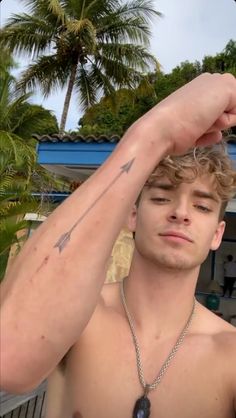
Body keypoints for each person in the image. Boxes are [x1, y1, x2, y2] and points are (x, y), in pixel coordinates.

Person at [1, 73, 236, 418]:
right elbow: (8, 353)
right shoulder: (78, 321)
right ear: (132, 215)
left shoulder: (229, 354)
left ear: (217, 234)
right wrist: (155, 131)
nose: (181, 213)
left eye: (201, 206)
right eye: (161, 196)